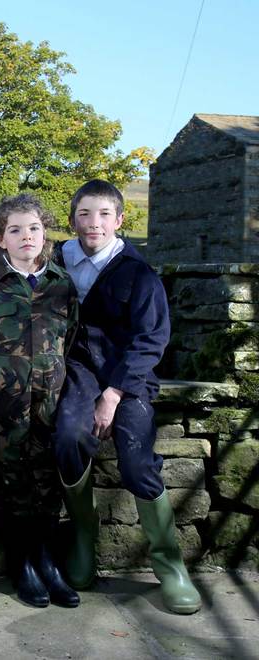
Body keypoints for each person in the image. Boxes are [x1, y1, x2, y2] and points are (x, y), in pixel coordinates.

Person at [53, 179, 201, 614]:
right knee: (68, 438)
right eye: (84, 213)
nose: (93, 223)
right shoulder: (59, 258)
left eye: (103, 214)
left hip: (128, 376)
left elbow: (152, 338)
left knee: (136, 460)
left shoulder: (138, 271)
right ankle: (83, 539)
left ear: (119, 219)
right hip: (79, 371)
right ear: (72, 218)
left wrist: (114, 394)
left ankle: (170, 565)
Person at [0, 194, 80, 608]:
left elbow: (69, 339)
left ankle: (47, 561)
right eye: (15, 230)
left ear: (45, 236)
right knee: (10, 482)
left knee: (47, 483)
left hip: (48, 404)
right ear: (1, 239)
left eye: (34, 228)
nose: (26, 236)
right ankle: (21, 565)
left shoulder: (62, 285)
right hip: (6, 407)